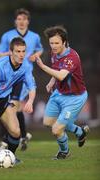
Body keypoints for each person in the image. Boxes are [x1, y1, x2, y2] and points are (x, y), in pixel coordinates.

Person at [36, 25, 89, 160]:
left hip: (74, 98)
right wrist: (51, 82)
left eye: (56, 43)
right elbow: (57, 72)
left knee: (57, 129)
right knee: (48, 123)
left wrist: (42, 66)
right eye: (51, 43)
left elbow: (62, 75)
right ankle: (80, 131)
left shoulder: (72, 57)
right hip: (59, 94)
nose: (53, 46)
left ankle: (64, 152)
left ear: (64, 42)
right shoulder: (55, 54)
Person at [0, 8, 43, 151]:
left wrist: (36, 55)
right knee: (16, 108)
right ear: (15, 21)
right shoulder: (7, 36)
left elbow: (40, 49)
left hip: (24, 75)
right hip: (8, 76)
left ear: (28, 21)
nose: (22, 22)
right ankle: (22, 135)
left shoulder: (34, 37)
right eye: (19, 19)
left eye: (24, 19)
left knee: (13, 107)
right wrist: (8, 53)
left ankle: (7, 141)